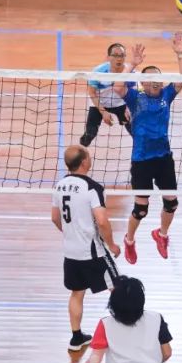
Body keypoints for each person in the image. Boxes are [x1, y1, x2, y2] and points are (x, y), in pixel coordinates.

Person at [112, 40, 182, 266]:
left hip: (163, 158)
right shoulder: (136, 98)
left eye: (158, 77)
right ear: (143, 83)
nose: (155, 81)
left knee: (172, 203)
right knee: (141, 209)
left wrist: (180, 54)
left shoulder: (166, 95)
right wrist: (132, 64)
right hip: (142, 160)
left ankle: (161, 235)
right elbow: (118, 87)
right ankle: (129, 240)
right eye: (150, 78)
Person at [53, 145, 122, 352]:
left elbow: (55, 218)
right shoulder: (92, 187)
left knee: (77, 293)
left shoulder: (59, 186)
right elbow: (102, 221)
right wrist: (111, 244)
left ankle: (76, 338)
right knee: (117, 287)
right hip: (93, 252)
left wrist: (71, 233)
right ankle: (124, 331)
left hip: (70, 252)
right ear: (84, 162)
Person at [80, 43, 133, 148]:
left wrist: (129, 108)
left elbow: (134, 92)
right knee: (89, 134)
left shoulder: (130, 72)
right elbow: (92, 93)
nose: (119, 59)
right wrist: (103, 112)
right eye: (115, 55)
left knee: (135, 131)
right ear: (108, 57)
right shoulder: (98, 72)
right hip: (100, 103)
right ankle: (80, 152)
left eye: (122, 55)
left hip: (121, 104)